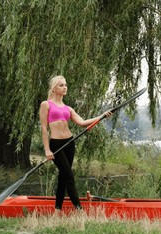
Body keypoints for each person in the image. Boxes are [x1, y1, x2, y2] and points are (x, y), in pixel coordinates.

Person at [39, 75, 112, 210]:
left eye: (65, 85)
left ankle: (57, 210)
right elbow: (44, 128)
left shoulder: (68, 108)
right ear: (54, 88)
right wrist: (47, 150)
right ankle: (79, 210)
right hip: (56, 145)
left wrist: (102, 116)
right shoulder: (46, 105)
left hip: (69, 143)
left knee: (63, 177)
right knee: (69, 177)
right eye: (61, 85)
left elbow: (82, 122)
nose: (65, 87)